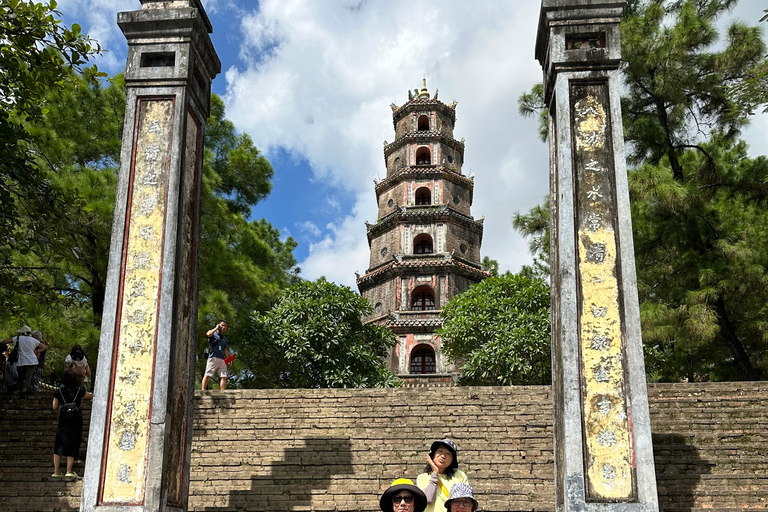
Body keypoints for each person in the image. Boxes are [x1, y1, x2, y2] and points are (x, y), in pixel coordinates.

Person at [51, 369, 92, 479]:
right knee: (73, 442)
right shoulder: (79, 390)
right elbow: (89, 396)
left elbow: (54, 407)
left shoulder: (59, 392)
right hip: (76, 419)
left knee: (59, 442)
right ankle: (69, 471)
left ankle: (56, 471)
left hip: (64, 419)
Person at [416, 439, 468, 512]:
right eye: (440, 451)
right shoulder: (422, 477)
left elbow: (464, 503)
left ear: (453, 460)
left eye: (448, 454)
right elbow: (428, 499)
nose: (443, 456)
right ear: (433, 455)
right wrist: (435, 473)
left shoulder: (460, 476)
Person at [14, 326, 47, 393]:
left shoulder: (36, 343)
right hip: (35, 363)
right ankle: (28, 390)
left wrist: (36, 352)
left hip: (36, 364)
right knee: (29, 378)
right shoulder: (37, 343)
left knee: (31, 378)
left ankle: (31, 391)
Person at [202, 320, 230, 390]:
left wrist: (228, 360)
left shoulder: (224, 339)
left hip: (222, 359)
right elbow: (208, 334)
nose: (224, 327)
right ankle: (202, 391)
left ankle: (223, 392)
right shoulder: (214, 334)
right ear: (219, 325)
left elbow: (226, 350)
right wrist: (216, 328)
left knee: (224, 376)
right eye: (222, 325)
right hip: (213, 357)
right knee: (208, 374)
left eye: (225, 326)